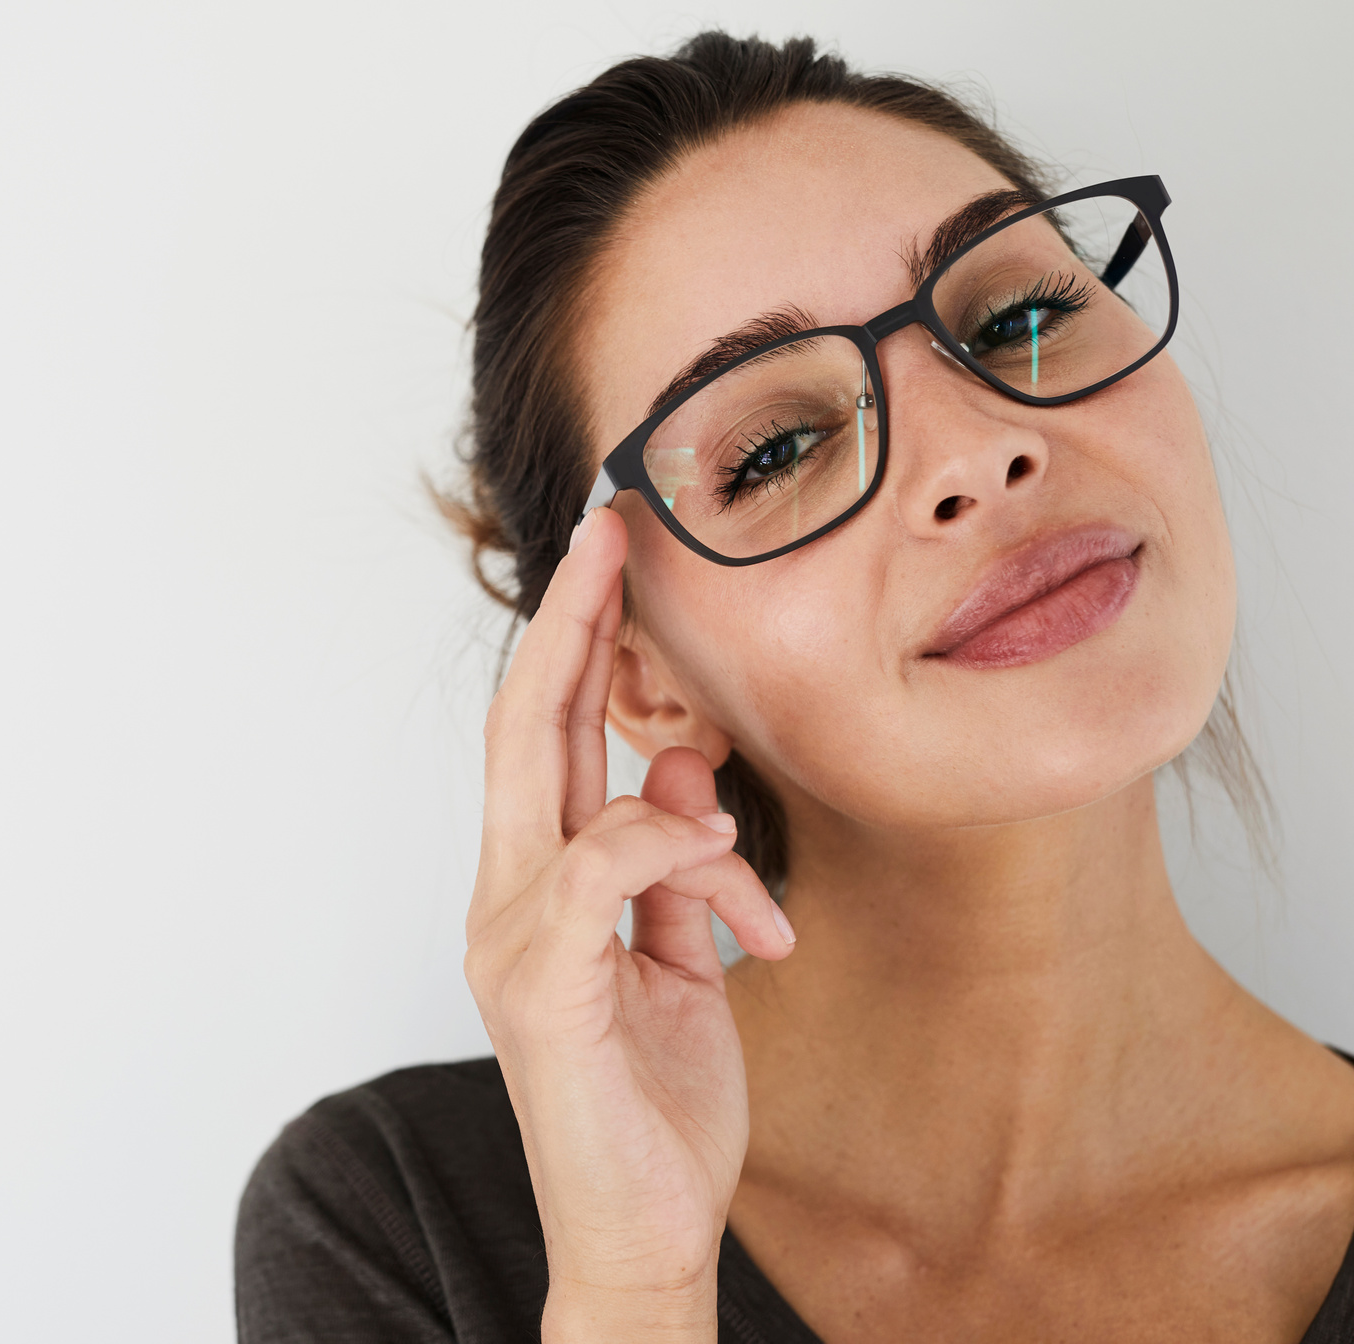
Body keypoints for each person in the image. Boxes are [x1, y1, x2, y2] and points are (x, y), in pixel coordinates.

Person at [234, 31, 1354, 1344]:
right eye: (777, 450)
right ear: (633, 669)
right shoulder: (406, 1224)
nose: (988, 449)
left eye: (1021, 316)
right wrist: (635, 1290)